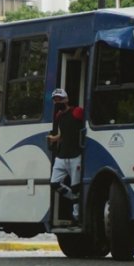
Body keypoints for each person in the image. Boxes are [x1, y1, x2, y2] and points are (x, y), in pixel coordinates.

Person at [47, 88, 84, 222]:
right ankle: (75, 198)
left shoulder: (77, 112)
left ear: (66, 99)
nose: (57, 102)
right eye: (55, 100)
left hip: (75, 155)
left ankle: (77, 216)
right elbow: (61, 134)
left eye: (59, 99)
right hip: (61, 156)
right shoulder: (58, 116)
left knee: (75, 186)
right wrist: (55, 139)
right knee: (54, 183)